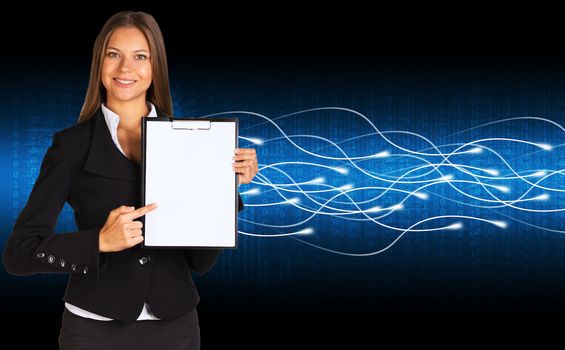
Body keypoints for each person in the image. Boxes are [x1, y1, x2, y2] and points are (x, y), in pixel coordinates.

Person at [2, 11, 258, 349]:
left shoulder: (195, 143)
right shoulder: (71, 146)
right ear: (100, 63)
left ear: (156, 68)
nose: (126, 68)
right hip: (93, 331)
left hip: (177, 328)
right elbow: (18, 255)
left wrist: (225, 190)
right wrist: (98, 243)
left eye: (140, 56)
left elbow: (201, 262)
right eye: (114, 54)